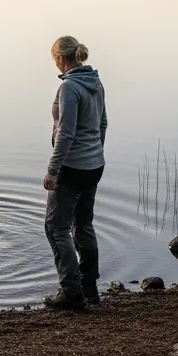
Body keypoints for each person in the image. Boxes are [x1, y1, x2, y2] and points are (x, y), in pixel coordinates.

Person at [42, 35, 107, 310]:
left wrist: (52, 170)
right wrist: (95, 152)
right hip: (94, 165)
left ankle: (71, 291)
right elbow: (103, 124)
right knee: (83, 224)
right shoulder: (96, 82)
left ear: (60, 58)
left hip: (72, 167)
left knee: (56, 228)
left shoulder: (69, 87)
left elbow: (66, 134)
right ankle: (90, 287)